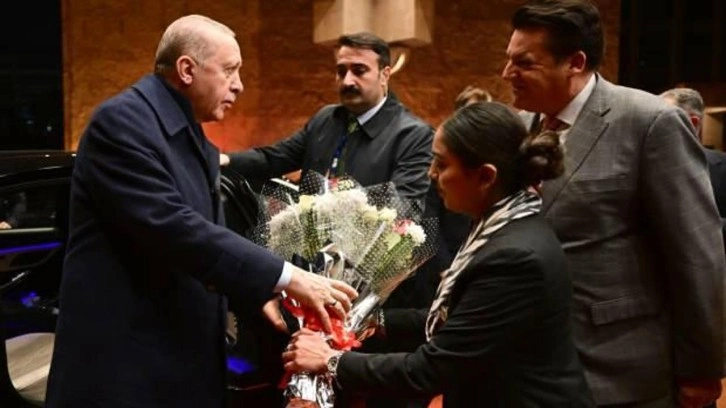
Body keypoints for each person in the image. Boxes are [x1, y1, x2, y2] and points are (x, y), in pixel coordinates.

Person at [45, 15, 356, 408]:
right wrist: (287, 277)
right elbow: (175, 229)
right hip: (125, 369)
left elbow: (206, 241)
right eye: (229, 70)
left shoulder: (181, 130)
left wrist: (257, 293)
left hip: (171, 361)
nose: (239, 85)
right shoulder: (122, 123)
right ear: (187, 69)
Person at [282, 101, 595, 407]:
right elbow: (462, 319)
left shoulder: (515, 257)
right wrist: (372, 320)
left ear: (485, 177)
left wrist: (330, 360)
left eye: (442, 164)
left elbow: (432, 369)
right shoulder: (501, 224)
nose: (431, 173)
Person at [501, 1, 726, 406]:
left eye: (524, 63)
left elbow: (697, 254)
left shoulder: (649, 122)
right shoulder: (519, 127)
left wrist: (702, 366)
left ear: (575, 63)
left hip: (620, 368)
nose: (507, 73)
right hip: (529, 369)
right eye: (509, 59)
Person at [220, 32, 433, 204]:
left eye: (359, 71)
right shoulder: (325, 119)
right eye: (341, 71)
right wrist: (222, 160)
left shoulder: (414, 135)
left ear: (384, 75)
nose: (347, 81)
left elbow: (404, 204)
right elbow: (275, 159)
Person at [660, 87, 726, 225]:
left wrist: (697, 227)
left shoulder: (723, 168)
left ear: (692, 123)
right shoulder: (640, 165)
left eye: (661, 119)